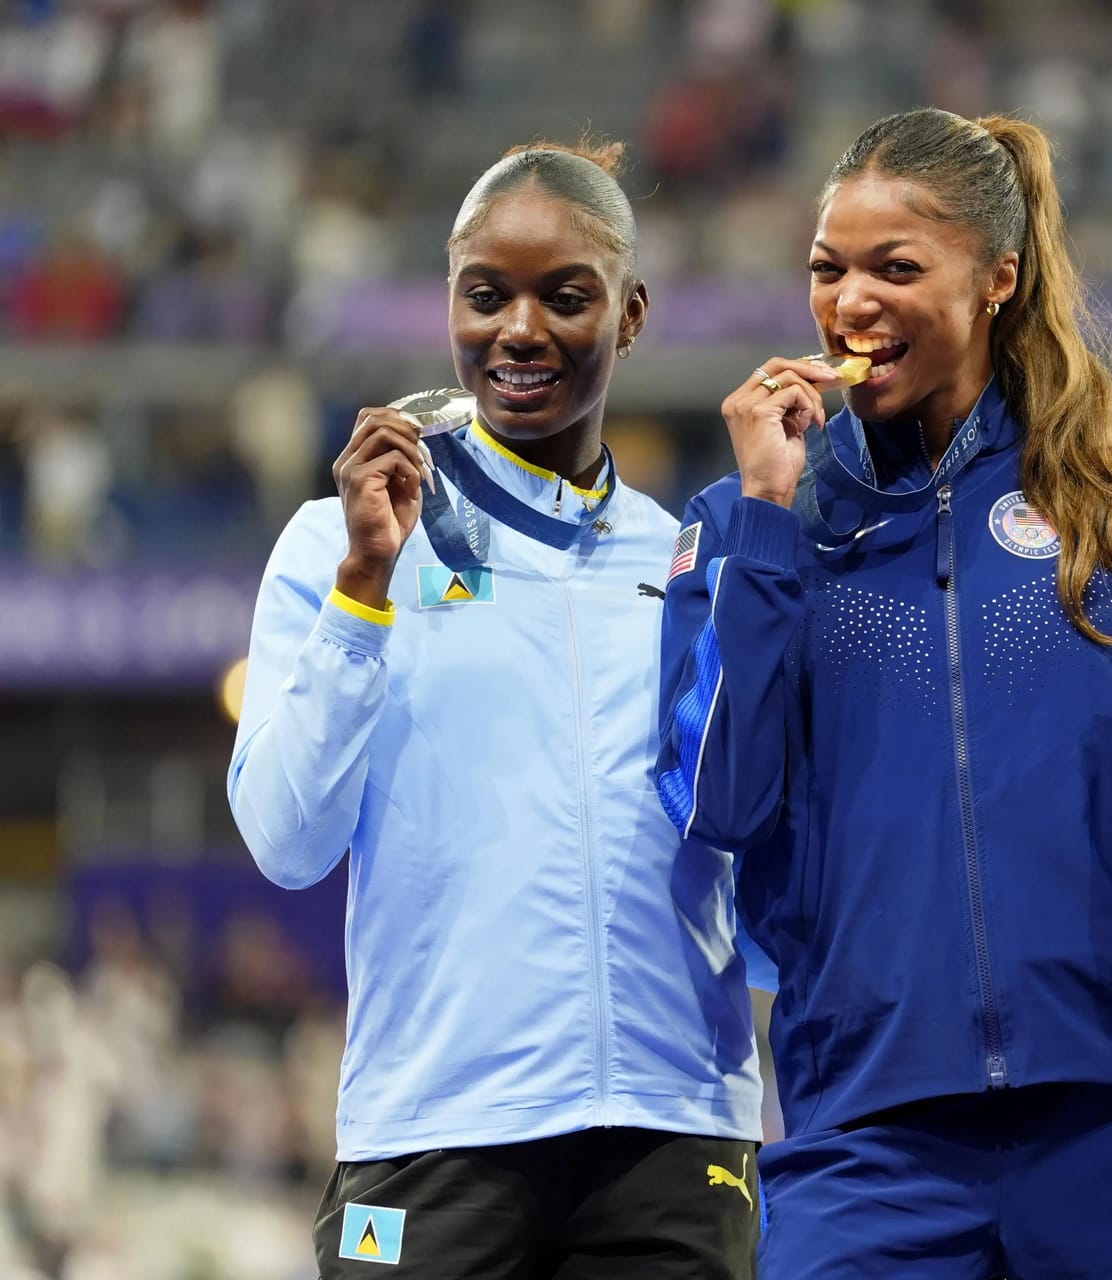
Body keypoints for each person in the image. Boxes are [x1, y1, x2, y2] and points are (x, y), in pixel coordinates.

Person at [656, 107, 1112, 1279]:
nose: (850, 302)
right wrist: (768, 527)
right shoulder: (743, 523)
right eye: (828, 269)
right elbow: (716, 799)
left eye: (895, 268)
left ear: (999, 281)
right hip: (866, 1121)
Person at [228, 140, 761, 1279]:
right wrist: (365, 592)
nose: (521, 329)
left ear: (630, 315)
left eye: (566, 296)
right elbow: (283, 839)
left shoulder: (681, 561)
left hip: (673, 1133)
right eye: (487, 294)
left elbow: (740, 841)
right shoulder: (342, 538)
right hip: (433, 1136)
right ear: (450, 304)